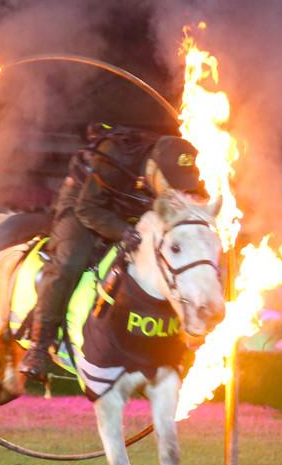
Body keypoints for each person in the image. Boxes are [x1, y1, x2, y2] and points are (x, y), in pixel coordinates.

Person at [19, 126, 203, 381]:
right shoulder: (115, 156)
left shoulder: (178, 179)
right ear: (152, 167)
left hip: (131, 212)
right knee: (71, 259)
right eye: (171, 183)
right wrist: (123, 232)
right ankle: (39, 345)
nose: (177, 192)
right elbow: (88, 209)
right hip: (85, 204)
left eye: (182, 186)